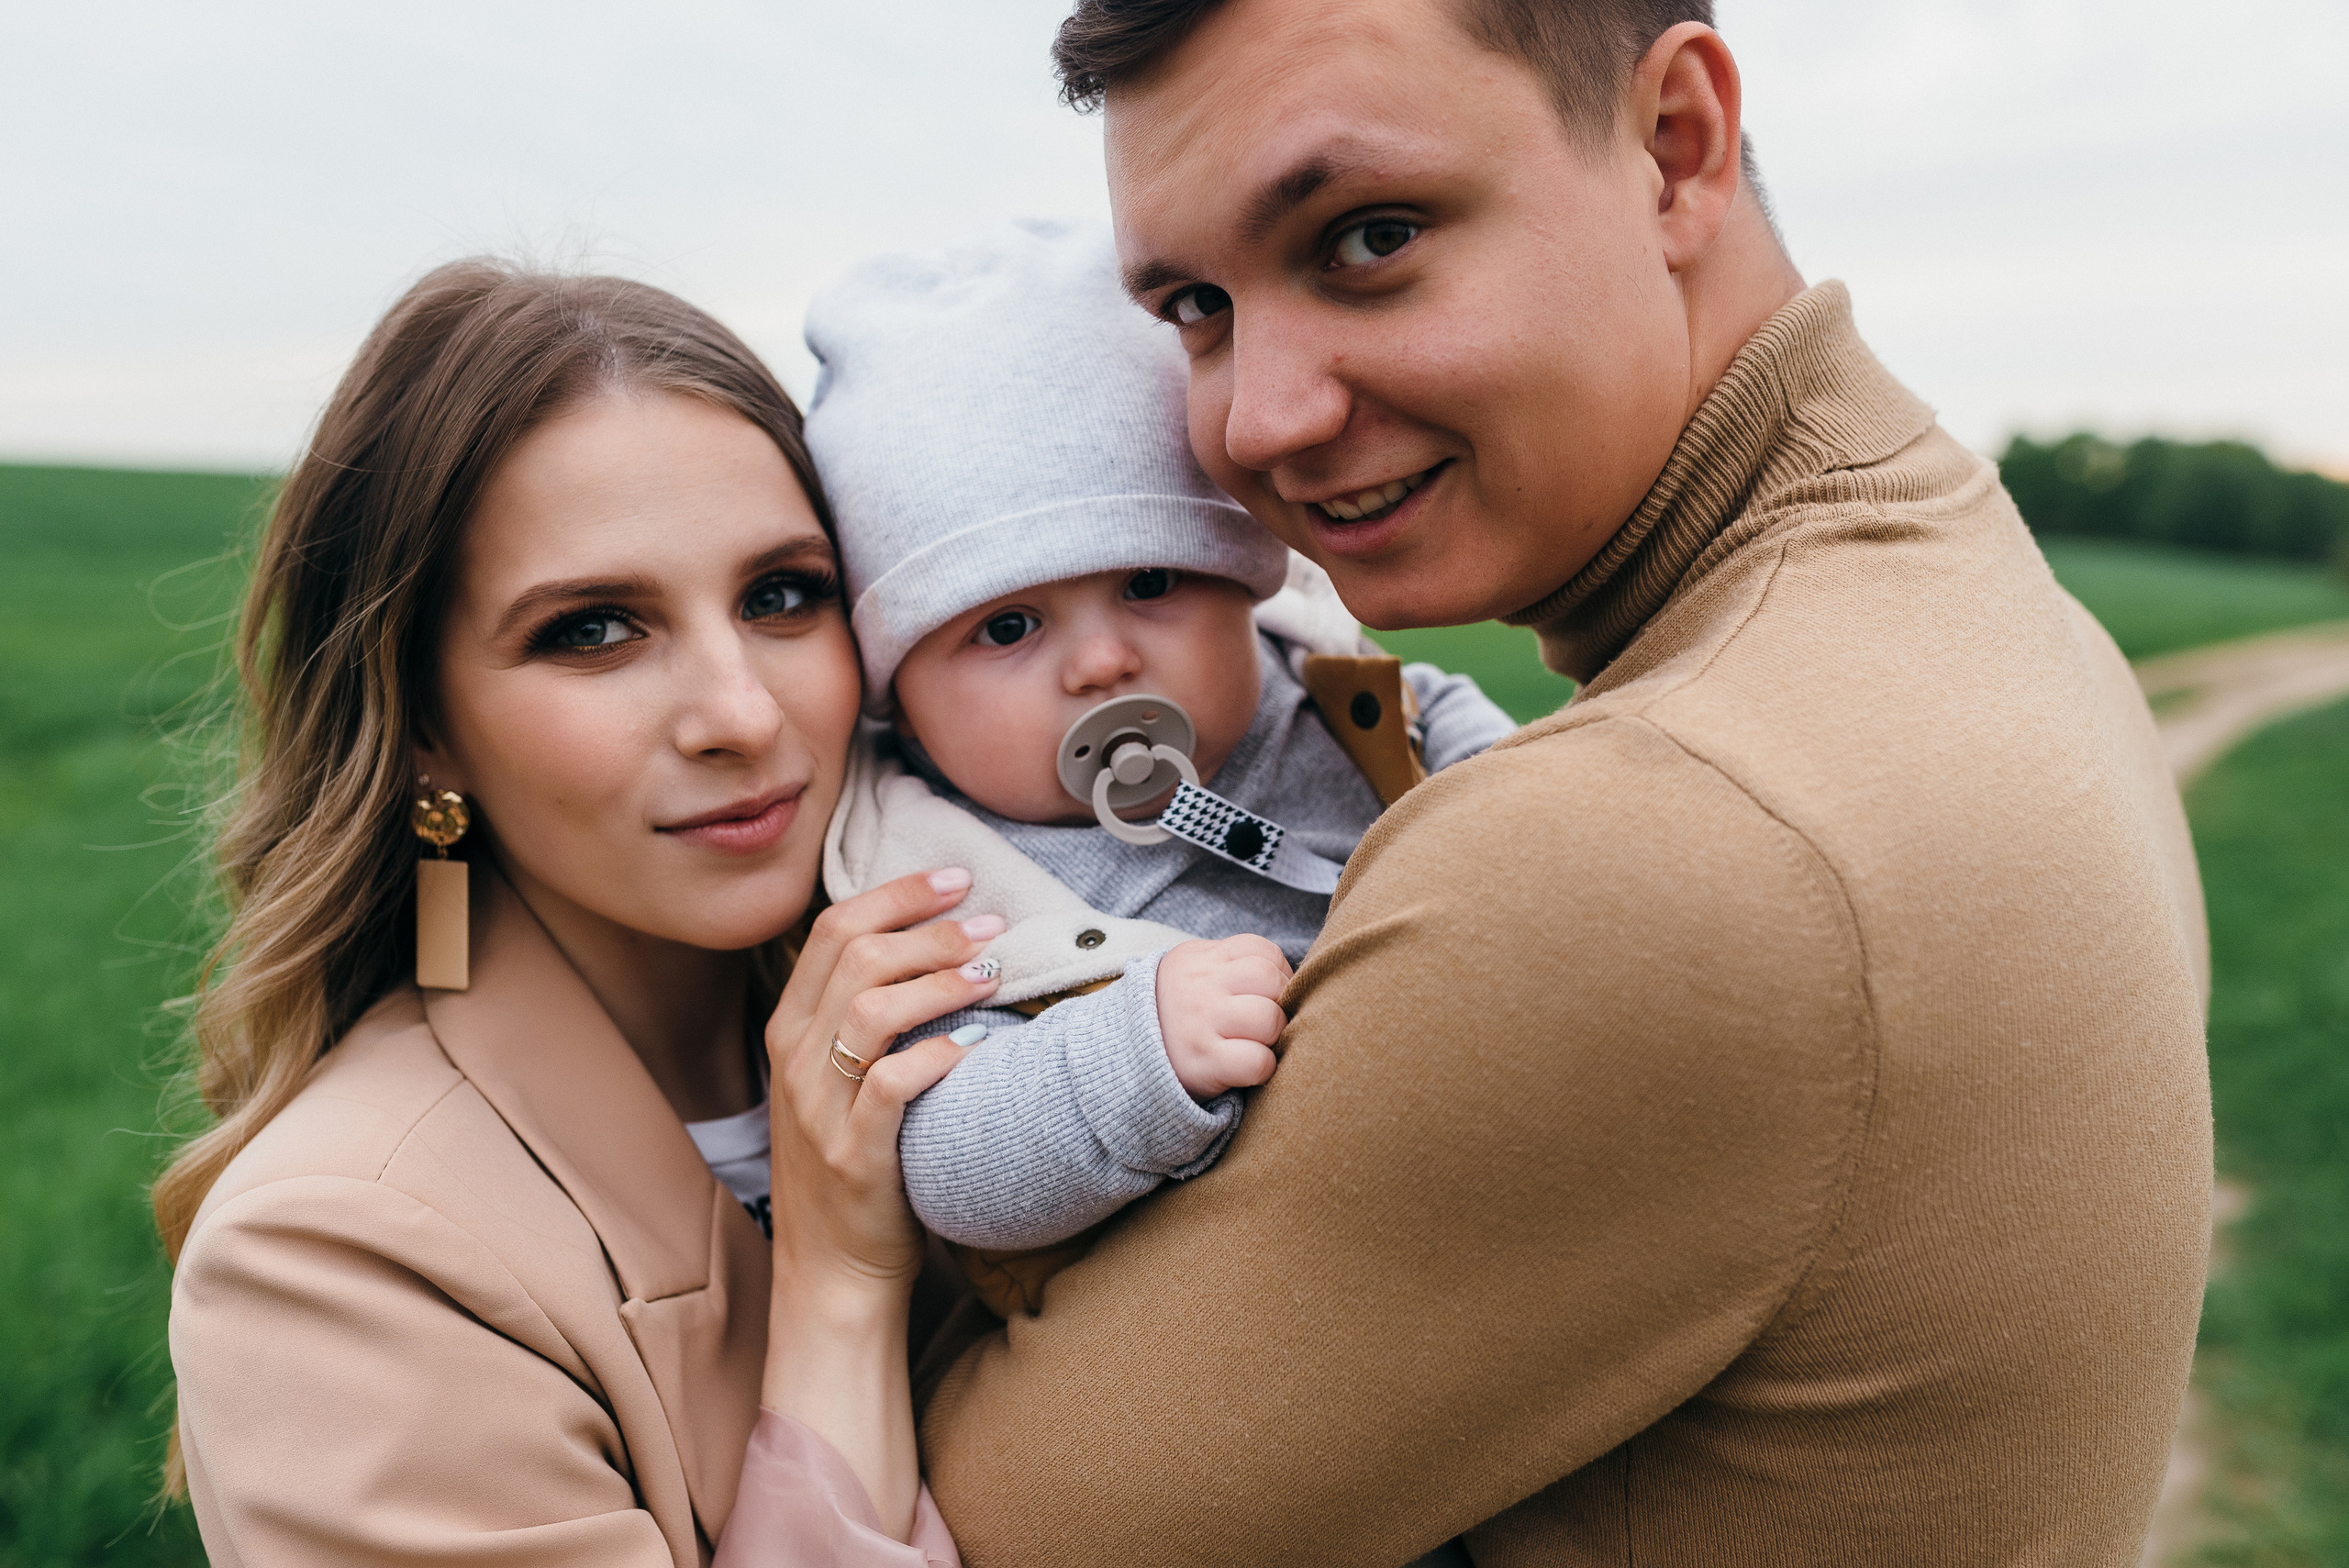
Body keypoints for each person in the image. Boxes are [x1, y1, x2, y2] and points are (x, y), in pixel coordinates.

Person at [766, 0, 2213, 1562]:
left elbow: (997, 1535)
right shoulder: (2002, 606)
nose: (1259, 420)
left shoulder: (1658, 835)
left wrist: (837, 1244)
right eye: (1194, 306)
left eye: (1367, 237)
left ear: (1676, 149)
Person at [158, 261, 1001, 1565]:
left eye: (782, 595)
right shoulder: (334, 1249)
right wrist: (838, 1289)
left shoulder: (1001, 1007)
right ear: (425, 726)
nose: (740, 714)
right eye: (595, 629)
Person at [799, 218, 1516, 1306]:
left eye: (1149, 582)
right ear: (899, 699)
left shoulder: (1330, 700)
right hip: (1247, 1300)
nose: (1101, 659)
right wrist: (1134, 1059)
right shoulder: (952, 886)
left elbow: (1472, 749)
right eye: (1005, 630)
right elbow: (947, 1160)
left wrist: (1524, 820)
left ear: (1241, 580)